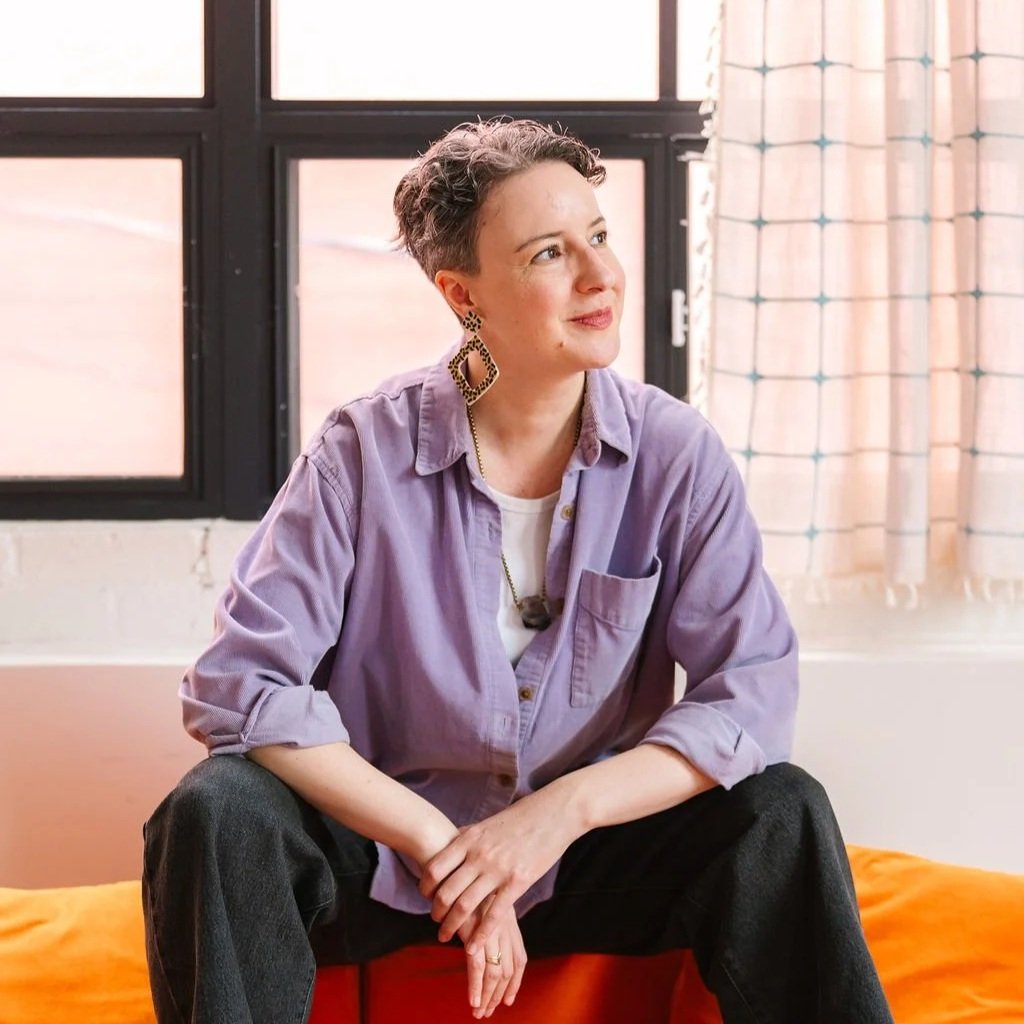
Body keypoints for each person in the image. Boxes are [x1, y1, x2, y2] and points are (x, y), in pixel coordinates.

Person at [142, 118, 893, 1024]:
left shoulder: (674, 456)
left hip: (583, 863)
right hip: (380, 862)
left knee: (783, 810)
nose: (600, 275)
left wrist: (554, 817)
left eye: (600, 238)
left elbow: (752, 694)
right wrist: (439, 841)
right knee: (215, 809)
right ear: (464, 296)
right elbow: (241, 684)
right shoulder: (359, 454)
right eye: (548, 253)